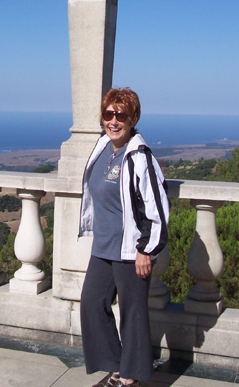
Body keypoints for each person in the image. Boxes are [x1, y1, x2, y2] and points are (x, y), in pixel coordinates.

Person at [79, 87, 169, 387]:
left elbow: (156, 208)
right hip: (102, 246)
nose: (114, 121)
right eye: (108, 114)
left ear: (133, 119)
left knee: (133, 315)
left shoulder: (140, 157)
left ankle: (129, 379)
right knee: (92, 304)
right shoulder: (103, 146)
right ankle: (116, 366)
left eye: (122, 115)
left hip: (131, 250)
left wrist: (146, 250)